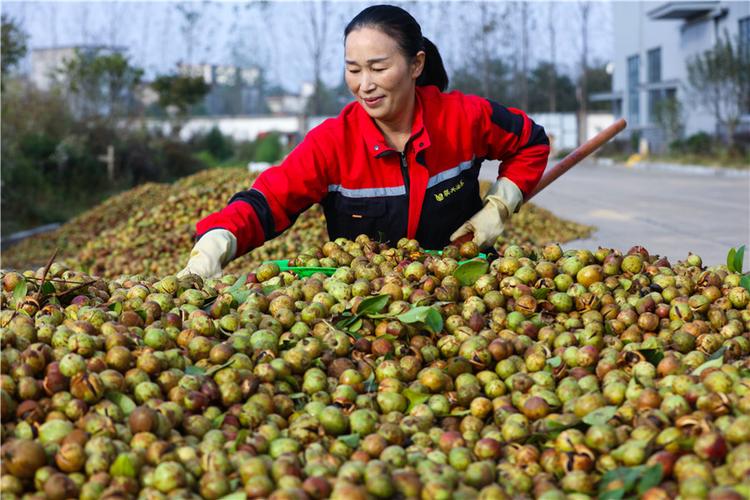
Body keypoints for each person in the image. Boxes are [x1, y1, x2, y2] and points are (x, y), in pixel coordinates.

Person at [179, 4, 549, 279]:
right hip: (366, 304)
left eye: (378, 68)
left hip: (466, 288)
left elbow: (530, 141)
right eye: (353, 70)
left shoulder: (462, 118)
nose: (364, 84)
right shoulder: (333, 142)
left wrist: (500, 204)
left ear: (416, 64)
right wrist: (218, 240)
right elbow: (268, 200)